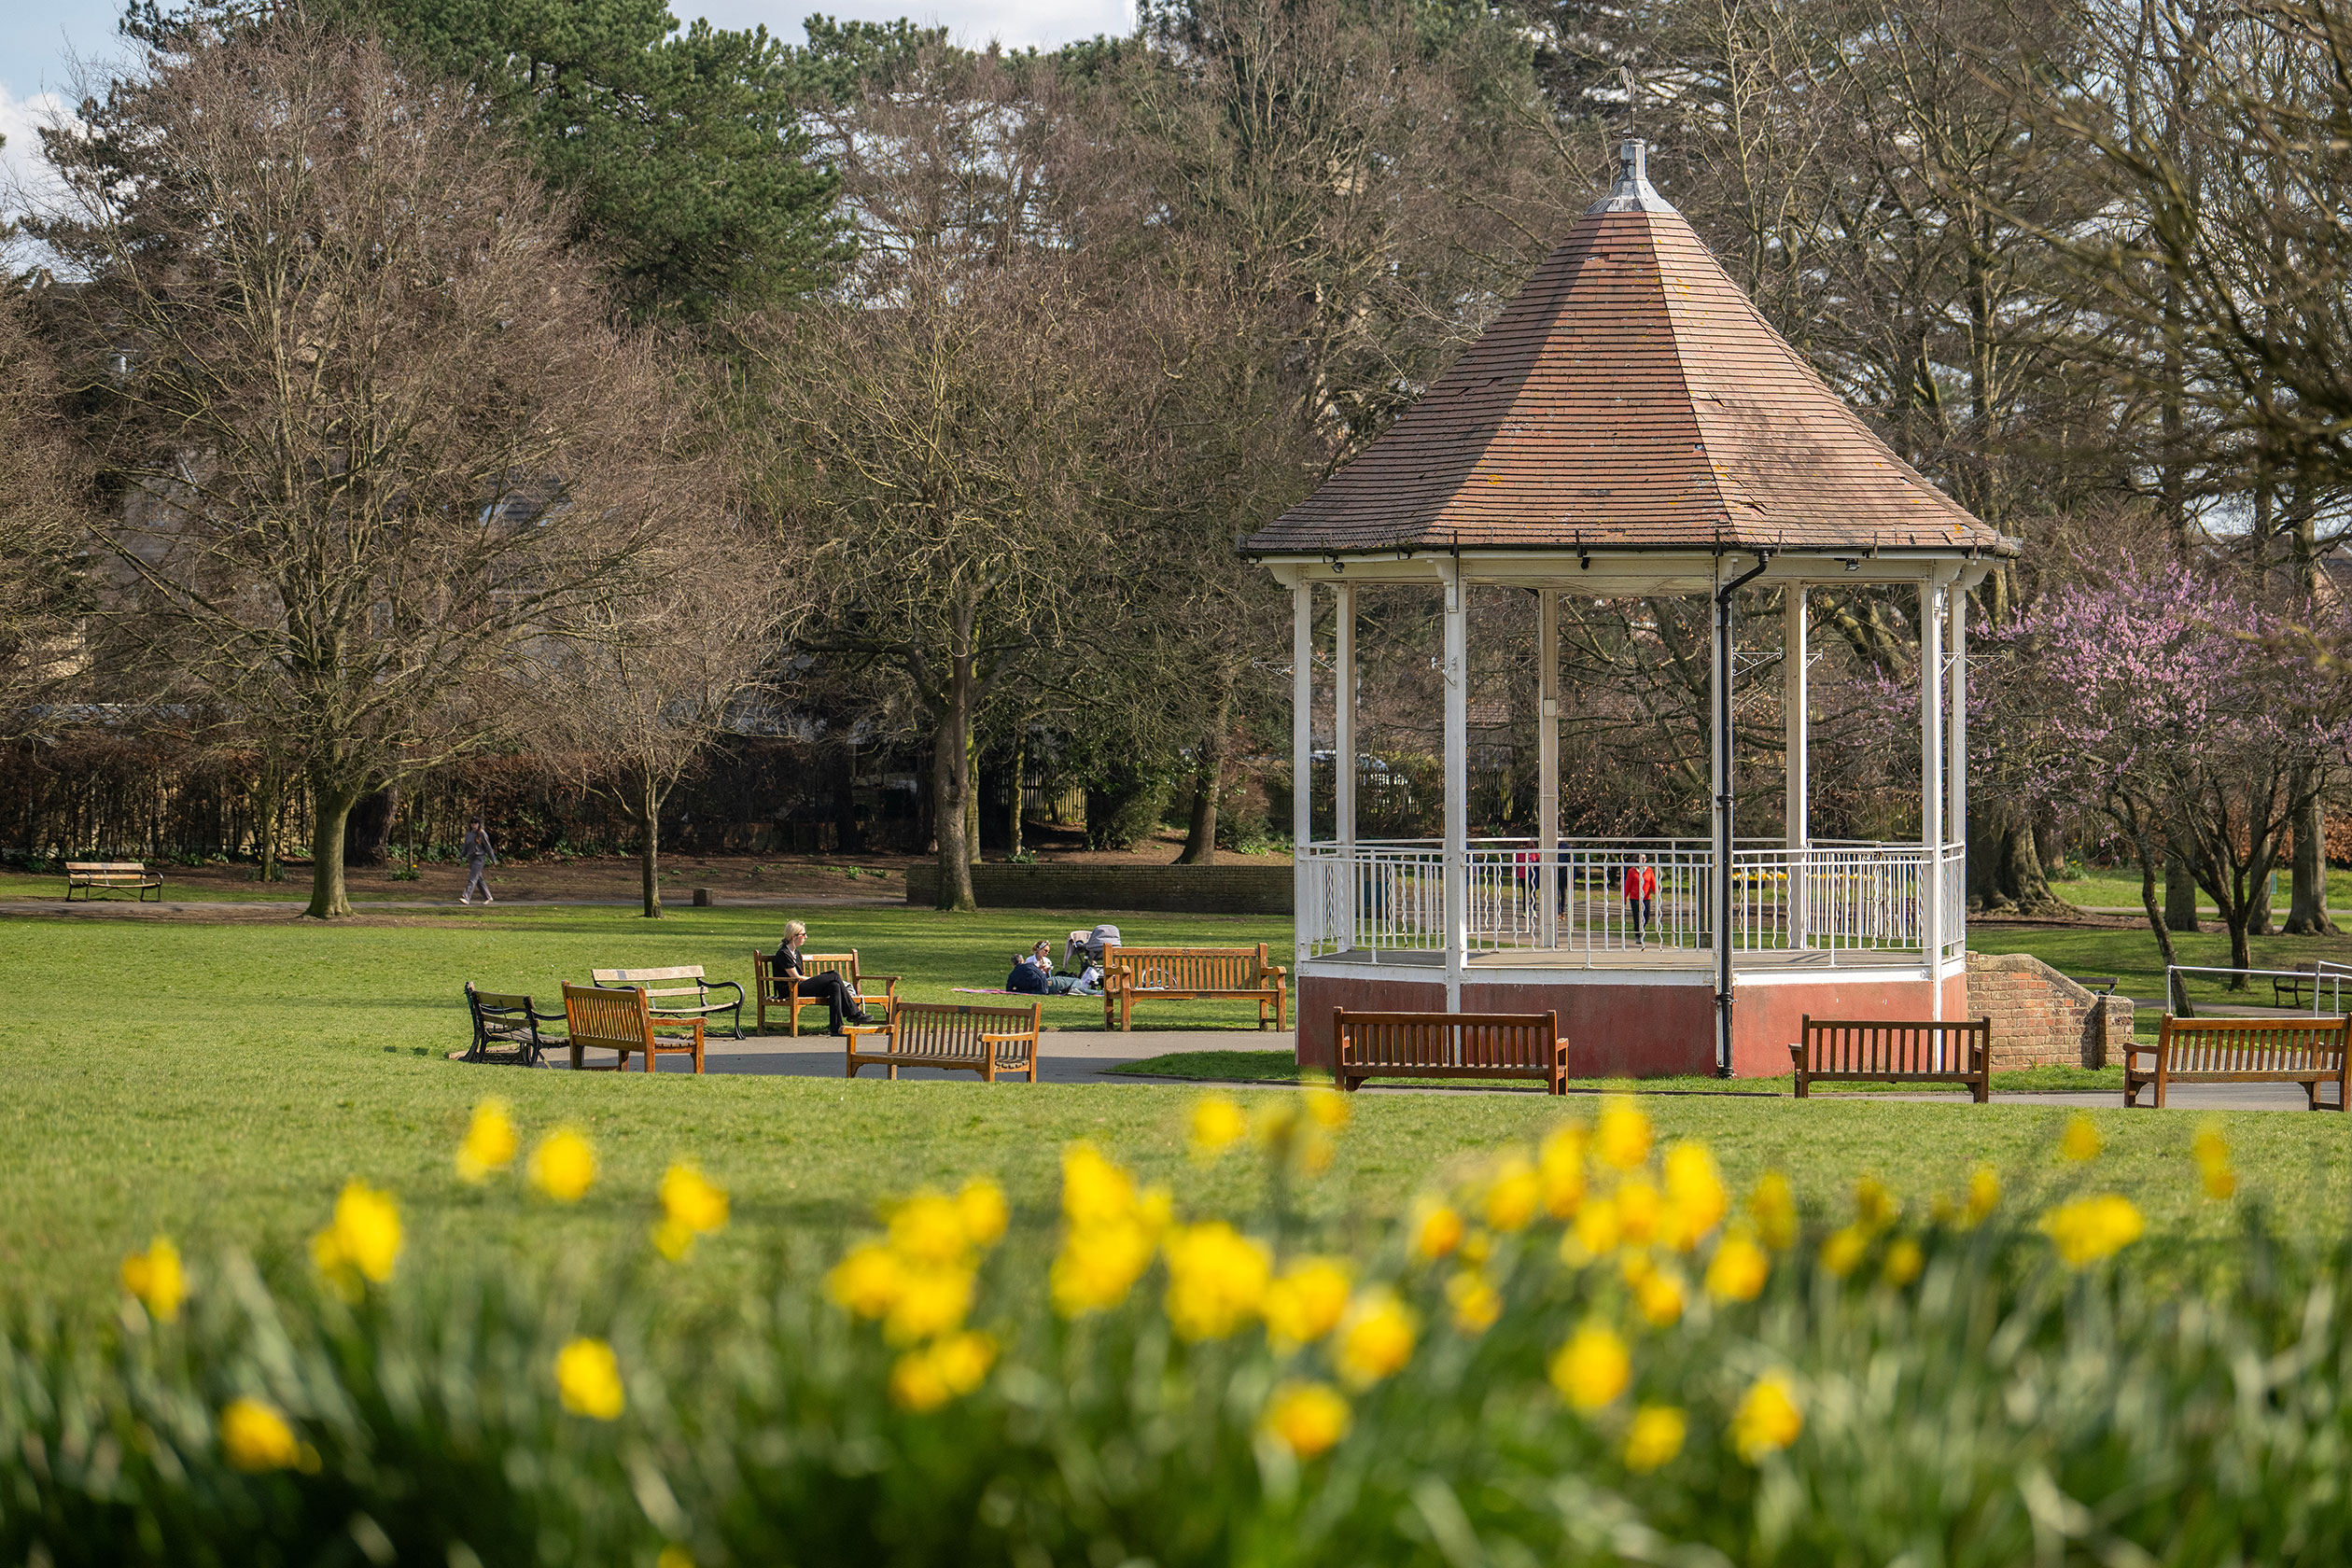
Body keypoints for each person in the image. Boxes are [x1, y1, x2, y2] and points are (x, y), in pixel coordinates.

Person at [774, 919, 875, 1033]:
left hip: (800, 987)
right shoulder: (783, 953)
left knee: (834, 986)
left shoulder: (796, 953)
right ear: (794, 936)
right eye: (803, 934)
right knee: (834, 975)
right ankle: (854, 1013)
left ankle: (836, 1028)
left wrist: (817, 980)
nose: (806, 937)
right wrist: (815, 980)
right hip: (791, 989)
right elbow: (796, 977)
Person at [460, 817, 497, 905]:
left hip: (479, 858)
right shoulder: (468, 834)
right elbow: (465, 847)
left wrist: (493, 859)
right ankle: (488, 896)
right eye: (472, 822)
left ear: (479, 824)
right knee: (478, 879)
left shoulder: (482, 834)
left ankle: (466, 897)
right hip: (471, 859)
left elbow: (488, 848)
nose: (474, 824)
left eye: (475, 822)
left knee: (472, 878)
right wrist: (460, 857)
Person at [1622, 856, 1658, 946]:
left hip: (1646, 897)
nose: (1642, 861)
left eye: (1643, 859)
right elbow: (1627, 885)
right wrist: (1624, 897)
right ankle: (1638, 935)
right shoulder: (1632, 871)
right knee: (1637, 917)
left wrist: (1657, 893)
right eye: (1639, 859)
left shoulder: (1649, 870)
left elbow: (1653, 882)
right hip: (1635, 898)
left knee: (1646, 916)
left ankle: (1640, 928)